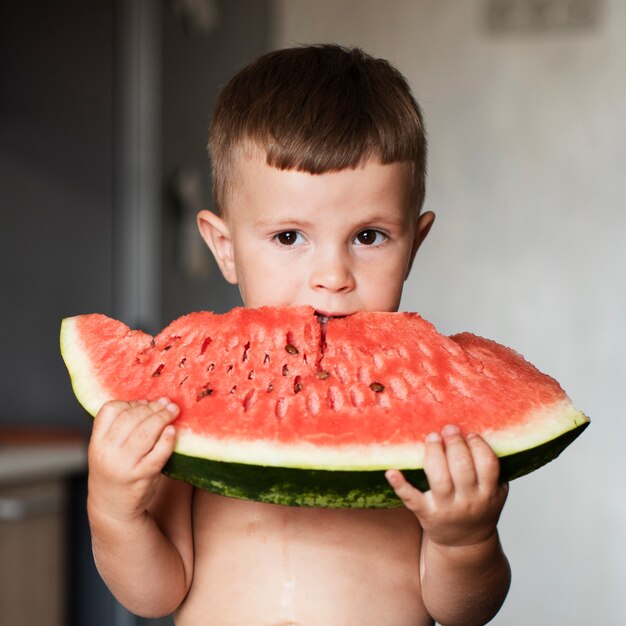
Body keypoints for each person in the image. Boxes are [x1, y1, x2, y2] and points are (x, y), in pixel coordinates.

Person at [87, 44, 511, 625]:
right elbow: (155, 594)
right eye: (290, 237)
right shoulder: (188, 408)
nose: (332, 277)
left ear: (414, 243)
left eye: (369, 237)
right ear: (224, 247)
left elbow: (462, 611)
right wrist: (114, 513)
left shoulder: (435, 422)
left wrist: (465, 541)